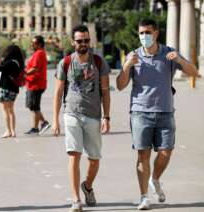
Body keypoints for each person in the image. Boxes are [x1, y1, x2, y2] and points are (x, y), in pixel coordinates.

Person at [116, 19, 198, 210]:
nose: (144, 36)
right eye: (141, 33)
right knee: (143, 155)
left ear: (156, 33)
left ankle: (155, 179)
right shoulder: (133, 55)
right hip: (140, 112)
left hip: (165, 112)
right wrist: (127, 65)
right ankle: (144, 197)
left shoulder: (168, 53)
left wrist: (179, 59)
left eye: (147, 32)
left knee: (166, 152)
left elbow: (194, 73)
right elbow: (120, 85)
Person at [52, 25, 111, 212]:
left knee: (94, 159)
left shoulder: (99, 63)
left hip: (93, 115)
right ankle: (76, 199)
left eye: (86, 40)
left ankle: (87, 186)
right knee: (74, 154)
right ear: (73, 42)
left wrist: (106, 117)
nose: (83, 44)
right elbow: (58, 91)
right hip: (72, 113)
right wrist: (55, 120)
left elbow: (105, 91)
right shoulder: (66, 62)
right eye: (79, 41)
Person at [0, 45, 25, 138]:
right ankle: (13, 131)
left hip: (5, 88)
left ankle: (8, 131)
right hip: (14, 89)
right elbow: (1, 66)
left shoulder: (9, 62)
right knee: (11, 110)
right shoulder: (17, 63)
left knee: (5, 110)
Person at [24, 35, 51, 135]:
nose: (31, 44)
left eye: (33, 42)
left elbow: (35, 68)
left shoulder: (39, 53)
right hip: (34, 84)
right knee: (34, 106)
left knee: (33, 107)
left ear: (39, 44)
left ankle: (44, 122)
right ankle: (35, 128)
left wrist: (24, 73)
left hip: (36, 84)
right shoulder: (38, 53)